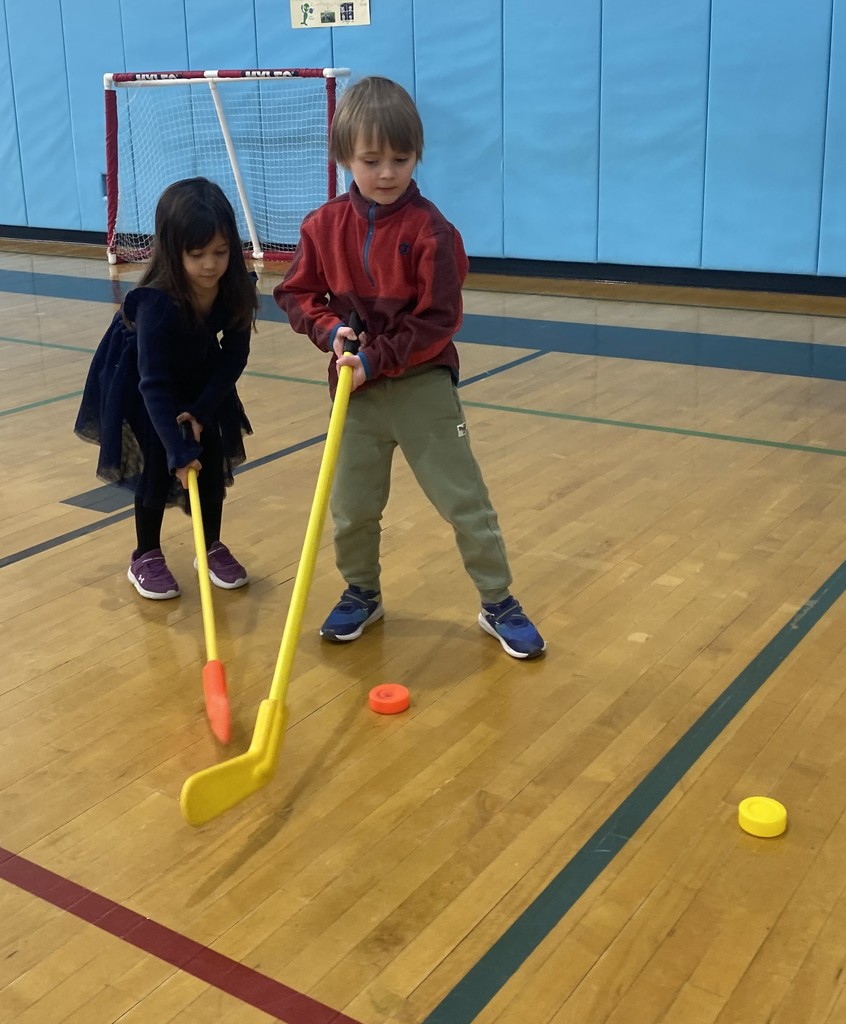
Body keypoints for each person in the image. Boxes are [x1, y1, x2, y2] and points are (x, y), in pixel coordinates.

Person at [274, 77, 545, 659]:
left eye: (402, 158)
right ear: (344, 157)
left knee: (463, 501)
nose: (388, 172)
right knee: (352, 508)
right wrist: (330, 332)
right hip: (356, 394)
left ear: (417, 155)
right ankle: (361, 593)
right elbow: (295, 295)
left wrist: (379, 356)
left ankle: (498, 602)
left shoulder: (433, 232)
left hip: (422, 386)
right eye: (372, 160)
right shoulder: (321, 228)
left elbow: (438, 319)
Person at [75, 177, 258, 600]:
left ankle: (208, 546)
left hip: (200, 373)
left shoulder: (233, 288)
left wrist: (202, 409)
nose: (211, 265)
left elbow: (233, 356)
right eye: (197, 255)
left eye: (221, 251)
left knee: (211, 464)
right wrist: (177, 448)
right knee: (158, 464)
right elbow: (153, 382)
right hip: (144, 380)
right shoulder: (157, 304)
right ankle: (146, 554)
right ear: (173, 252)